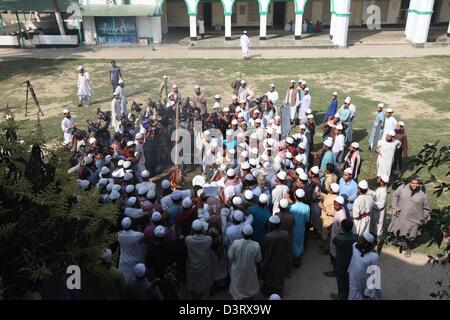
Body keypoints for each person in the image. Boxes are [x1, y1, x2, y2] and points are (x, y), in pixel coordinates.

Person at [387, 177, 431, 257]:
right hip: (400, 215)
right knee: (397, 229)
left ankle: (408, 248)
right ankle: (396, 240)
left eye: (417, 183)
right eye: (413, 183)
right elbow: (395, 195)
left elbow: (427, 208)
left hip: (414, 218)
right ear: (410, 182)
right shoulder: (402, 187)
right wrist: (395, 207)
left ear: (419, 184)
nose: (415, 185)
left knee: (411, 235)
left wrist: (424, 217)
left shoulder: (423, 194)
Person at [228, 224, 262, 300]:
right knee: (249, 285)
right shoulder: (256, 245)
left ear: (242, 233)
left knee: (238, 285)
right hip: (250, 270)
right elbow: (258, 259)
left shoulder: (235, 243)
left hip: (237, 270)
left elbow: (230, 256)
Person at [262, 215, 290, 297]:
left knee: (270, 278)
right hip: (281, 260)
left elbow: (267, 252)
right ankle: (278, 293)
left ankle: (268, 293)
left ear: (272, 225)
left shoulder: (269, 236)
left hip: (271, 261)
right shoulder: (285, 234)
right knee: (279, 278)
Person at [185, 219, 213, 299]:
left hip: (192, 265)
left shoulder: (188, 239)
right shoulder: (209, 239)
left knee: (193, 283)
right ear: (202, 229)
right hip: (205, 265)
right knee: (204, 284)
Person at [348, 232, 381, 300]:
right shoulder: (354, 246)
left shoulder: (374, 256)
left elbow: (374, 275)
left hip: (363, 282)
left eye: (361, 240)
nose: (358, 240)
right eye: (360, 238)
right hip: (352, 278)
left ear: (366, 244)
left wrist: (368, 291)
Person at [330, 219, 358, 300]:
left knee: (341, 284)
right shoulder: (356, 237)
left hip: (341, 264)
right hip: (353, 264)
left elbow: (334, 242)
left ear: (342, 228)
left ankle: (341, 297)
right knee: (351, 283)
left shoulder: (339, 238)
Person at [323, 195, 346, 277]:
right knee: (333, 252)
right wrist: (331, 226)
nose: (334, 206)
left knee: (335, 255)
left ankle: (335, 271)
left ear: (341, 205)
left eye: (336, 205)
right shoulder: (338, 210)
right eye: (334, 204)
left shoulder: (342, 215)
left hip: (337, 238)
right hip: (334, 235)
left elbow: (343, 230)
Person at [118, 217, 146, 283]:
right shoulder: (138, 235)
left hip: (124, 262)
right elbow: (144, 237)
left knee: (125, 281)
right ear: (131, 225)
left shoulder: (119, 235)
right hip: (137, 260)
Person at [289, 189, 310, 267]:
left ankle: (293, 259)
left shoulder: (291, 207)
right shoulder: (307, 207)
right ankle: (298, 260)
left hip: (293, 228)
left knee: (292, 243)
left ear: (295, 196)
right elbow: (307, 219)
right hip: (301, 228)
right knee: (299, 243)